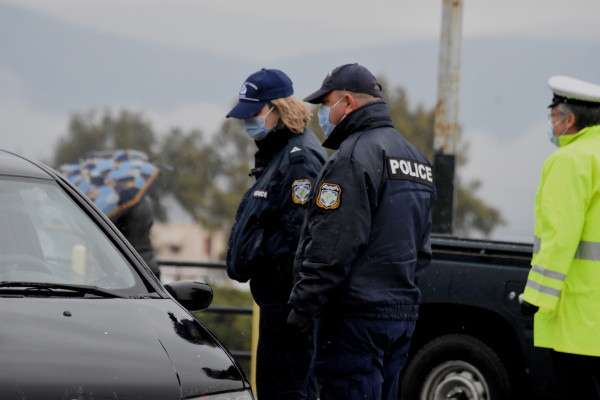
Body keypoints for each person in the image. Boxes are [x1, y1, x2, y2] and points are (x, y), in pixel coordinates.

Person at [287, 63, 436, 400]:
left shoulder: (353, 157)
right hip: (400, 314)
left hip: (355, 318)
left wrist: (305, 303)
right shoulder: (416, 160)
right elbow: (422, 251)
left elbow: (333, 244)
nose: (323, 114)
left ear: (348, 103)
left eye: (326, 104)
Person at [225, 68, 327, 400]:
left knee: (282, 390)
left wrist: (297, 302)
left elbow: (302, 236)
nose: (248, 123)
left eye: (253, 113)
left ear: (276, 108)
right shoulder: (281, 154)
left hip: (287, 307)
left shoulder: (298, 159)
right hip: (278, 302)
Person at [521, 75, 600, 399]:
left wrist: (535, 296)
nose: (550, 124)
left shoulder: (570, 160)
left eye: (553, 116)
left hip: (576, 318)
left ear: (570, 119)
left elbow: (560, 236)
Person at [111, 194, 160, 279]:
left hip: (130, 266)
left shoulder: (123, 204)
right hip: (148, 263)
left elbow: (111, 231)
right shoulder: (144, 200)